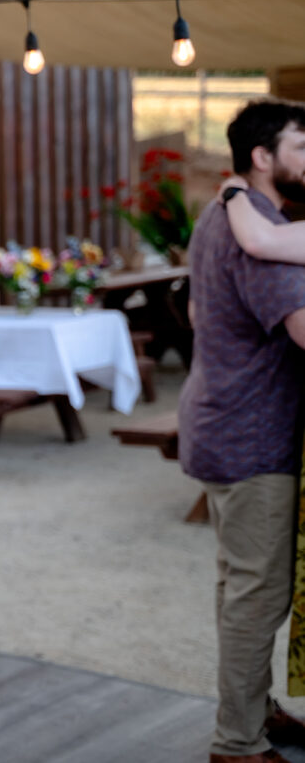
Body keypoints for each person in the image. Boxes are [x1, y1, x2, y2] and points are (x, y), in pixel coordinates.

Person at [179, 98, 305, 763]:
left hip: (218, 421)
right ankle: (238, 742)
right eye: (302, 148)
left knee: (239, 586)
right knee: (257, 597)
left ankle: (252, 709)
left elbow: (197, 313)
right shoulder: (260, 230)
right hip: (254, 436)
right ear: (263, 157)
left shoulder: (219, 213)